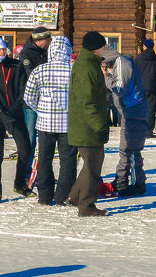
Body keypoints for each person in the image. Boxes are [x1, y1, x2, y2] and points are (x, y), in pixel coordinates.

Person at [23, 35, 77, 206]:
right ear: (68, 51)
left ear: (51, 50)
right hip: (68, 123)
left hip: (45, 123)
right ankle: (63, 195)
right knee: (68, 160)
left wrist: (40, 109)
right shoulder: (74, 71)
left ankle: (45, 196)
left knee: (44, 159)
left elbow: (28, 96)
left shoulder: (40, 70)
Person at [0, 36, 34, 203]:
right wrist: (4, 115)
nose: (2, 53)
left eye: (4, 49)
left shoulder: (16, 65)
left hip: (15, 113)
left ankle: (20, 184)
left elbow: (23, 89)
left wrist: (14, 109)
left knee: (25, 149)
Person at [67, 31, 111, 217]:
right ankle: (86, 206)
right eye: (103, 46)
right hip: (87, 126)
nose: (105, 49)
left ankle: (76, 196)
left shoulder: (88, 64)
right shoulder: (87, 67)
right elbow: (87, 102)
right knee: (93, 164)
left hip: (85, 125)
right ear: (96, 48)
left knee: (89, 164)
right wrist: (99, 125)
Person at [102, 45, 148, 196]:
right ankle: (121, 178)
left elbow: (119, 88)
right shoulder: (118, 64)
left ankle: (137, 183)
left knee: (131, 150)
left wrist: (106, 77)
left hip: (134, 113)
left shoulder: (123, 63)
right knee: (126, 149)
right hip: (130, 112)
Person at [17, 27, 51, 153]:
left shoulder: (47, 52)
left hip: (45, 101)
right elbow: (31, 73)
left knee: (45, 138)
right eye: (48, 39)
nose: (49, 42)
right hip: (30, 101)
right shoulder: (26, 53)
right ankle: (26, 167)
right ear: (40, 40)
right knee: (30, 137)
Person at [135, 39, 156, 137]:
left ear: (145, 46)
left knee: (141, 108)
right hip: (153, 86)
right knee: (151, 109)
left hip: (141, 87)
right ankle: (149, 130)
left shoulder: (139, 58)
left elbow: (134, 71)